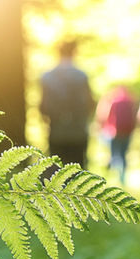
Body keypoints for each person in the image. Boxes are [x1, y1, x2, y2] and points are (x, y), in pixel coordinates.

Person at [40, 40, 95, 168]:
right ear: (74, 52)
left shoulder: (47, 77)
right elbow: (90, 104)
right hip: (78, 131)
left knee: (57, 172)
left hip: (56, 131)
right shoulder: (82, 76)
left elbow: (43, 107)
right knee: (78, 171)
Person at [96, 86, 137, 184]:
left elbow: (107, 116)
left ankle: (112, 178)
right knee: (123, 155)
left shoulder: (114, 102)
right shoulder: (129, 102)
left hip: (114, 132)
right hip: (127, 132)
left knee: (114, 154)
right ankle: (122, 178)